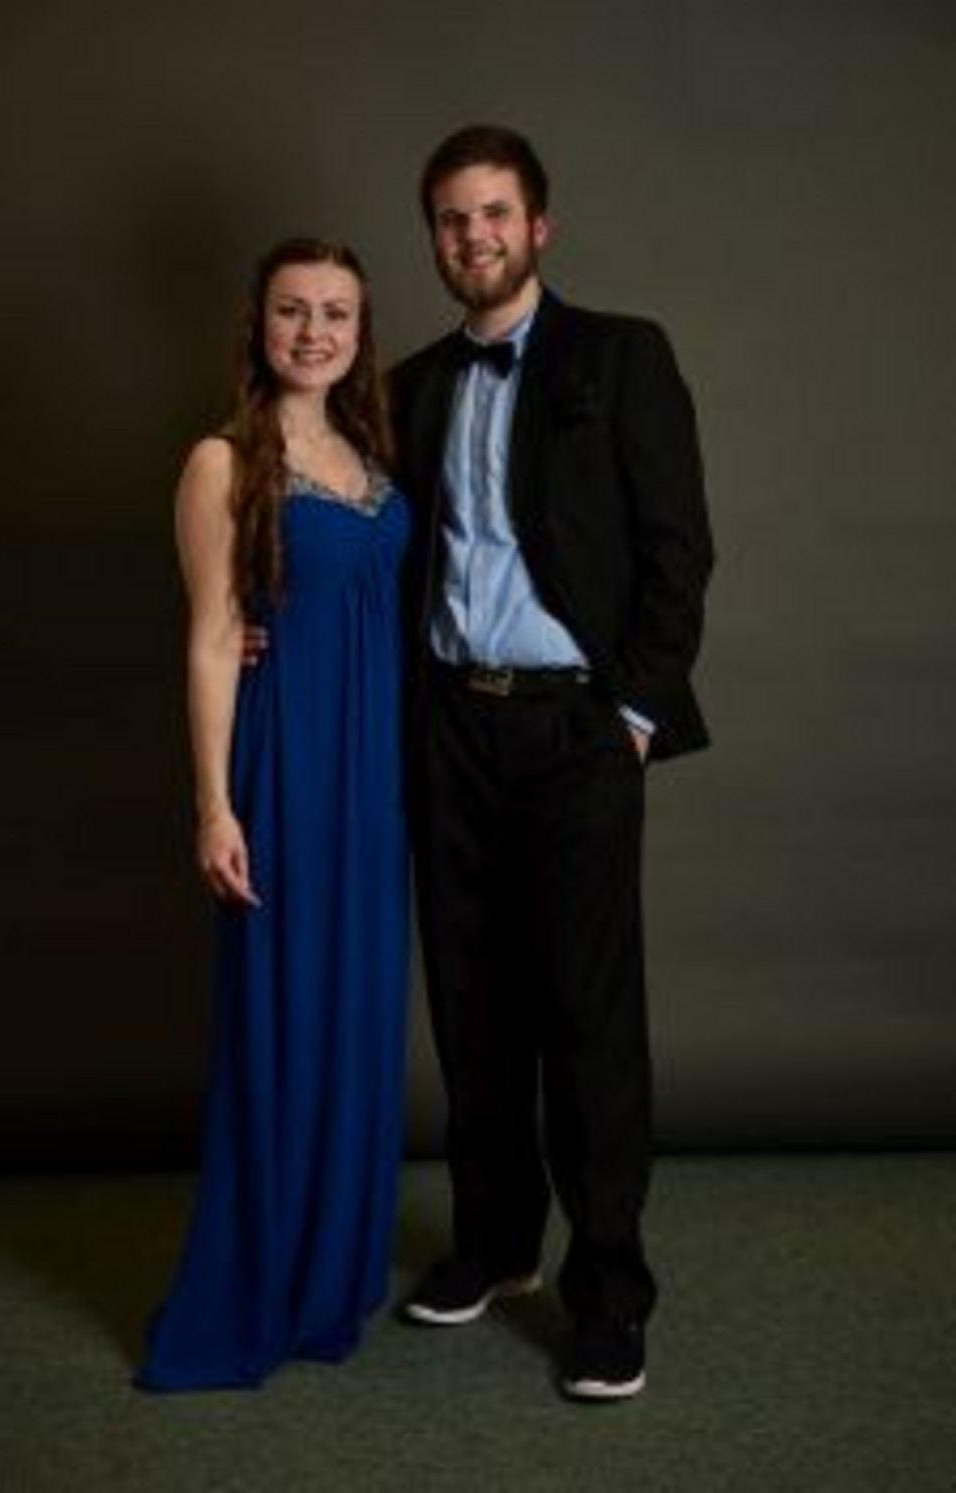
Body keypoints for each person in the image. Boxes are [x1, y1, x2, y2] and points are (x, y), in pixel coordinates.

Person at [391, 125, 714, 1401]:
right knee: (471, 1004)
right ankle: (495, 1240)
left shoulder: (621, 356)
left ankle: (611, 1290)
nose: (472, 236)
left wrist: (629, 713)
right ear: (435, 238)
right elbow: (366, 545)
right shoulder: (412, 384)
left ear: (539, 226)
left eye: (493, 214)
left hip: (576, 729)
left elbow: (678, 547)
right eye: (451, 219)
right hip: (449, 725)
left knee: (586, 1016)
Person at [137, 237, 412, 1391]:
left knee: (357, 1015)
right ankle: (258, 1277)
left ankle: (330, 1271)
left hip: (375, 772)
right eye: (292, 310)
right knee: (282, 1014)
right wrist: (215, 805)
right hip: (287, 761)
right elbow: (212, 637)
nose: (313, 331)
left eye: (335, 312)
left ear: (359, 329)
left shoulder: (372, 450)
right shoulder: (220, 459)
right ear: (257, 324)